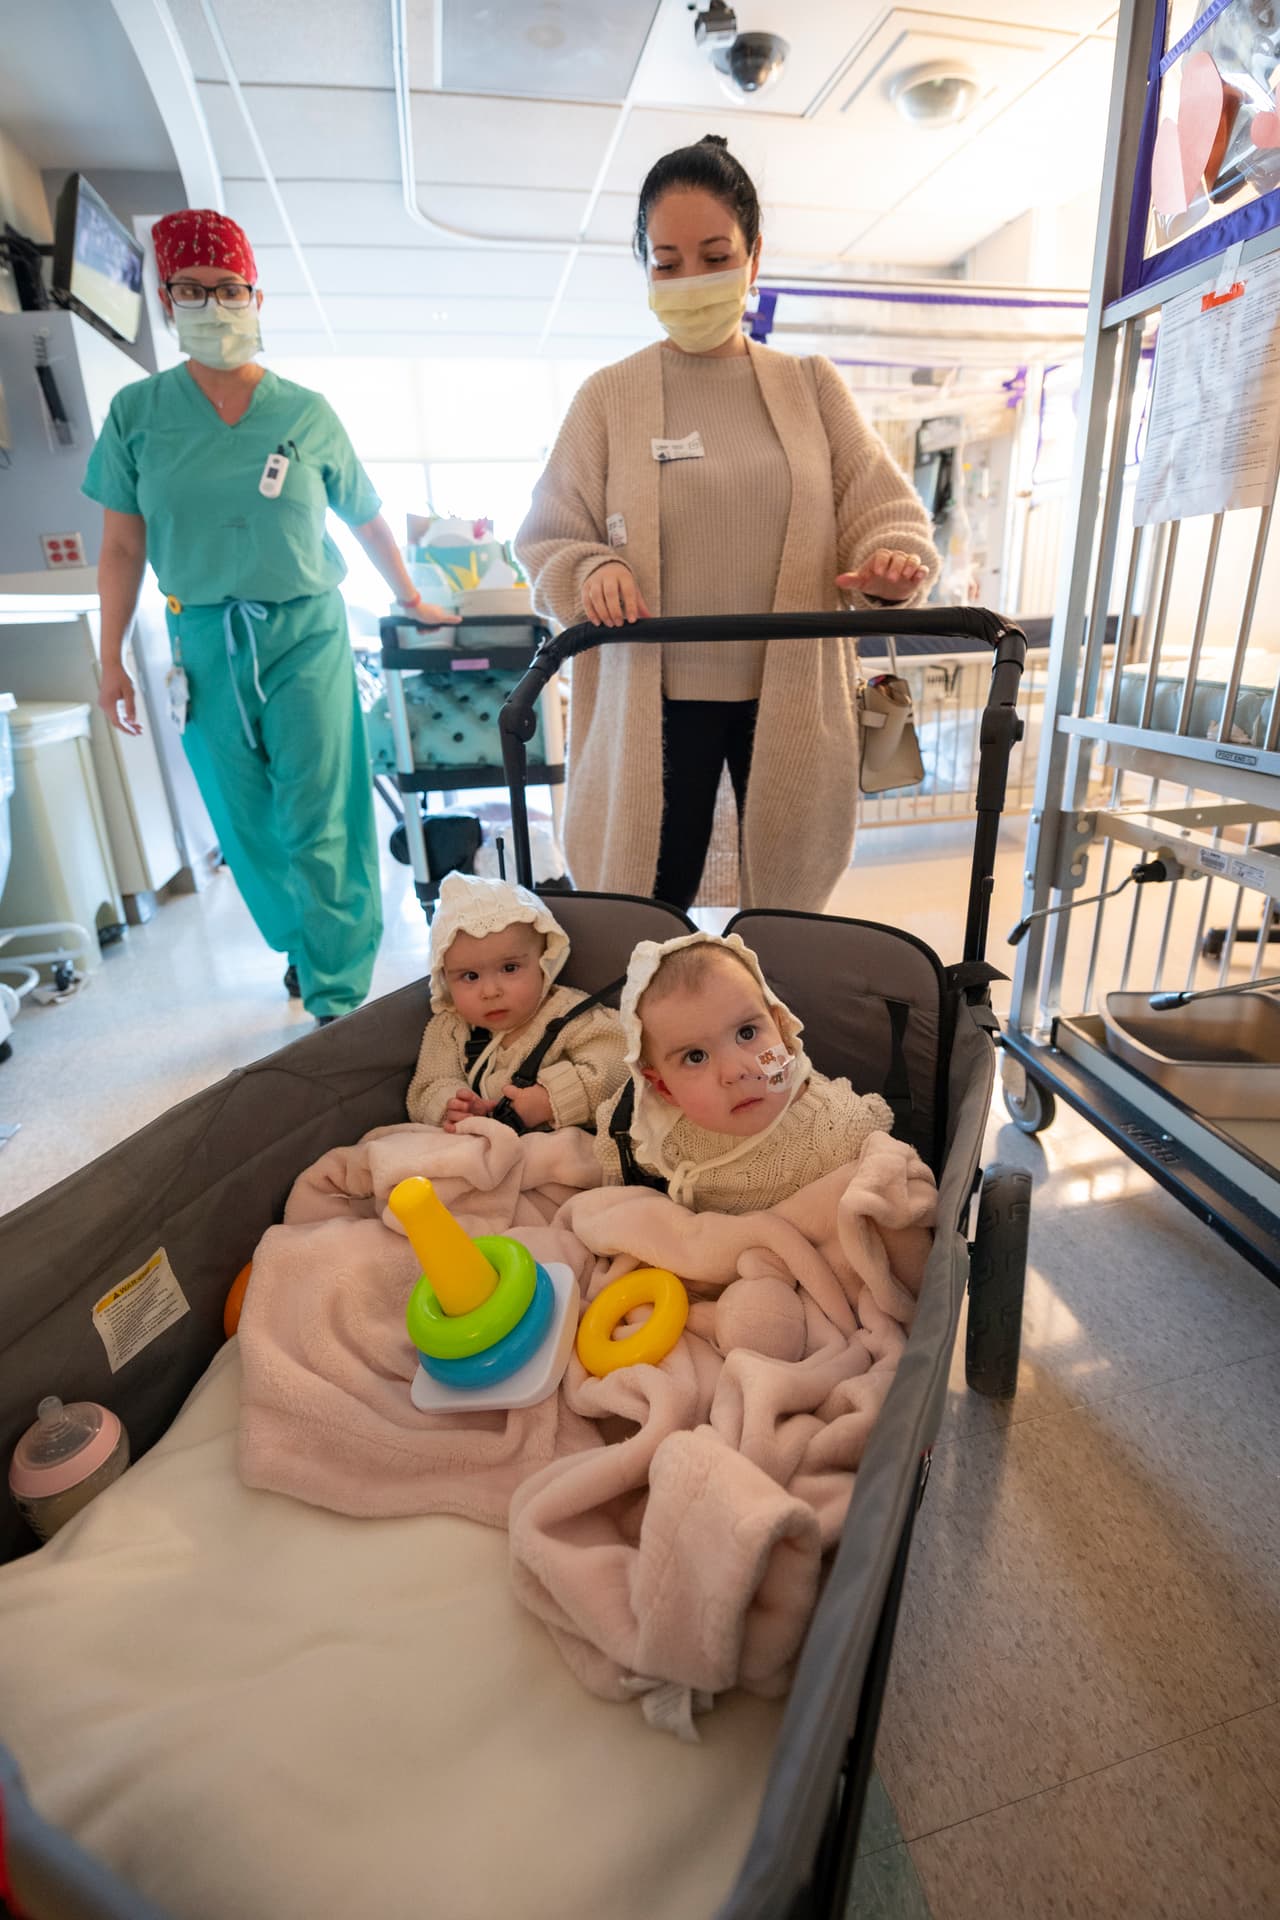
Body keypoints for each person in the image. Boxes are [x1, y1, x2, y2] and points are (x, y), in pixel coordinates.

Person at [516, 136, 940, 914]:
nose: (691, 281)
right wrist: (589, 570)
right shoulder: (608, 397)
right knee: (646, 906)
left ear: (754, 257)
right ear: (643, 265)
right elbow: (547, 534)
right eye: (667, 262)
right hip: (656, 707)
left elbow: (885, 515)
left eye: (715, 256)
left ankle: (764, 1031)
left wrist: (890, 564)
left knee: (786, 909)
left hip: (788, 702)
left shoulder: (809, 386)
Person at [83, 208, 457, 1024]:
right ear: (165, 297)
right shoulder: (137, 416)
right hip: (201, 640)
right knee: (244, 820)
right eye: (192, 289)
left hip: (306, 631)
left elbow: (364, 516)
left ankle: (338, 995)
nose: (212, 305)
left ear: (257, 296)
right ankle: (301, 943)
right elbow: (119, 549)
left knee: (322, 810)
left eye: (228, 289)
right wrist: (110, 657)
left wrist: (408, 597)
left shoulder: (306, 412)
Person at [594, 933, 893, 1212]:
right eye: (695, 1056)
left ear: (782, 1031)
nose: (735, 1072)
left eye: (747, 1033)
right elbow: (610, 1149)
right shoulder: (660, 1130)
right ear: (666, 1090)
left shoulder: (843, 1127)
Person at [407, 873, 626, 1133]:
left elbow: (618, 1063)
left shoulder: (570, 1015)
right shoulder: (450, 1028)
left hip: (556, 1149)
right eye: (470, 976)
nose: (490, 991)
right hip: (477, 1147)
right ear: (445, 979)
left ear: (544, 962)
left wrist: (550, 1099)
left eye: (510, 968)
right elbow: (428, 1084)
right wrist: (451, 1106)